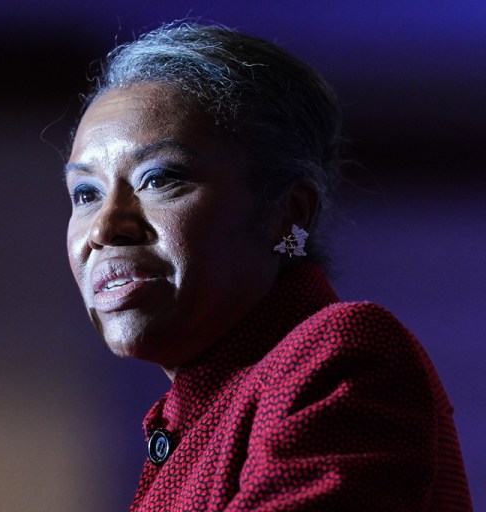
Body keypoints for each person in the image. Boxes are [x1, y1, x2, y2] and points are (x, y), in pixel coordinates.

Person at [63, 22, 472, 511]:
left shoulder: (340, 355)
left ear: (289, 210)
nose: (105, 228)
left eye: (160, 179)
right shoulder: (192, 416)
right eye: (85, 193)